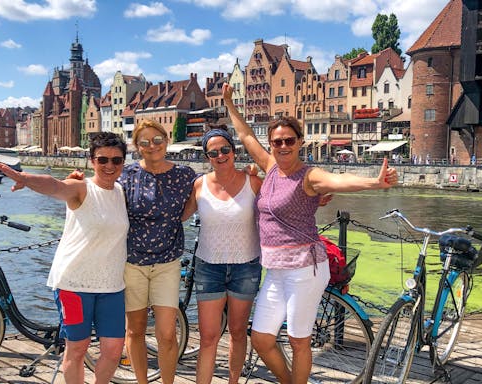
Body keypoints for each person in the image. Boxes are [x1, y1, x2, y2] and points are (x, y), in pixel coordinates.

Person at [222, 83, 398, 384]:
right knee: (263, 339)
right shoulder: (271, 166)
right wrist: (229, 104)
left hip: (305, 269)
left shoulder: (309, 175)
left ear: (300, 141)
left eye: (289, 140)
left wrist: (375, 183)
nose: (282, 146)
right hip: (275, 271)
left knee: (298, 340)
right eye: (277, 142)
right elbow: (246, 135)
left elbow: (338, 180)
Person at [0, 132, 129, 384]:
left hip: (111, 286)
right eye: (102, 160)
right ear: (91, 161)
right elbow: (56, 186)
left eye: (116, 160)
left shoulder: (121, 191)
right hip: (74, 285)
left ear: (123, 162)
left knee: (113, 350)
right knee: (77, 348)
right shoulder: (81, 188)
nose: (109, 166)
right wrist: (27, 179)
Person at [181, 126, 263, 384]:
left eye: (225, 149)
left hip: (246, 266)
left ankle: (233, 382)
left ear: (234, 151)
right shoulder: (199, 185)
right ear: (207, 157)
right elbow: (177, 216)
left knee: (238, 332)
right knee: (208, 336)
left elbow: (281, 202)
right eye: (213, 152)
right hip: (209, 267)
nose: (220, 155)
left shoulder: (253, 182)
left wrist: (315, 198)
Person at [119, 119, 196, 384]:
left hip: (167, 262)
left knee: (166, 334)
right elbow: (99, 191)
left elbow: (211, 191)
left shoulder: (185, 174)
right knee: (136, 330)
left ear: (167, 140)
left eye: (157, 140)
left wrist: (252, 176)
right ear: (137, 147)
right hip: (132, 263)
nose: (152, 146)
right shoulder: (127, 175)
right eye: (144, 142)